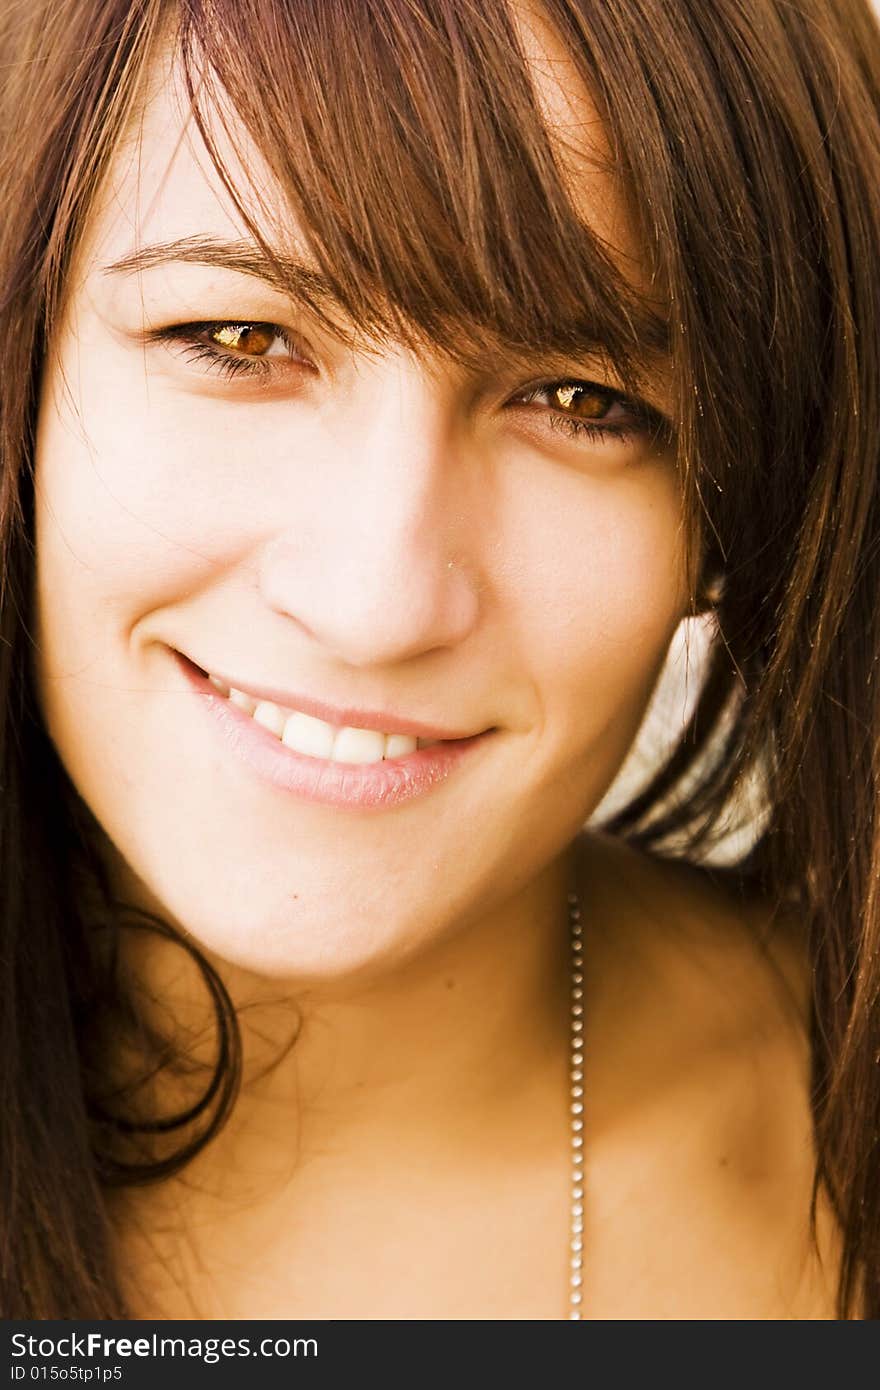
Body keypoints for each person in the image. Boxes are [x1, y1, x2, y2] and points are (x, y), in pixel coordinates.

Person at [1, 0, 877, 1320]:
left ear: (735, 506)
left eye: (584, 402)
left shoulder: (837, 1140)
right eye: (240, 340)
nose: (377, 601)